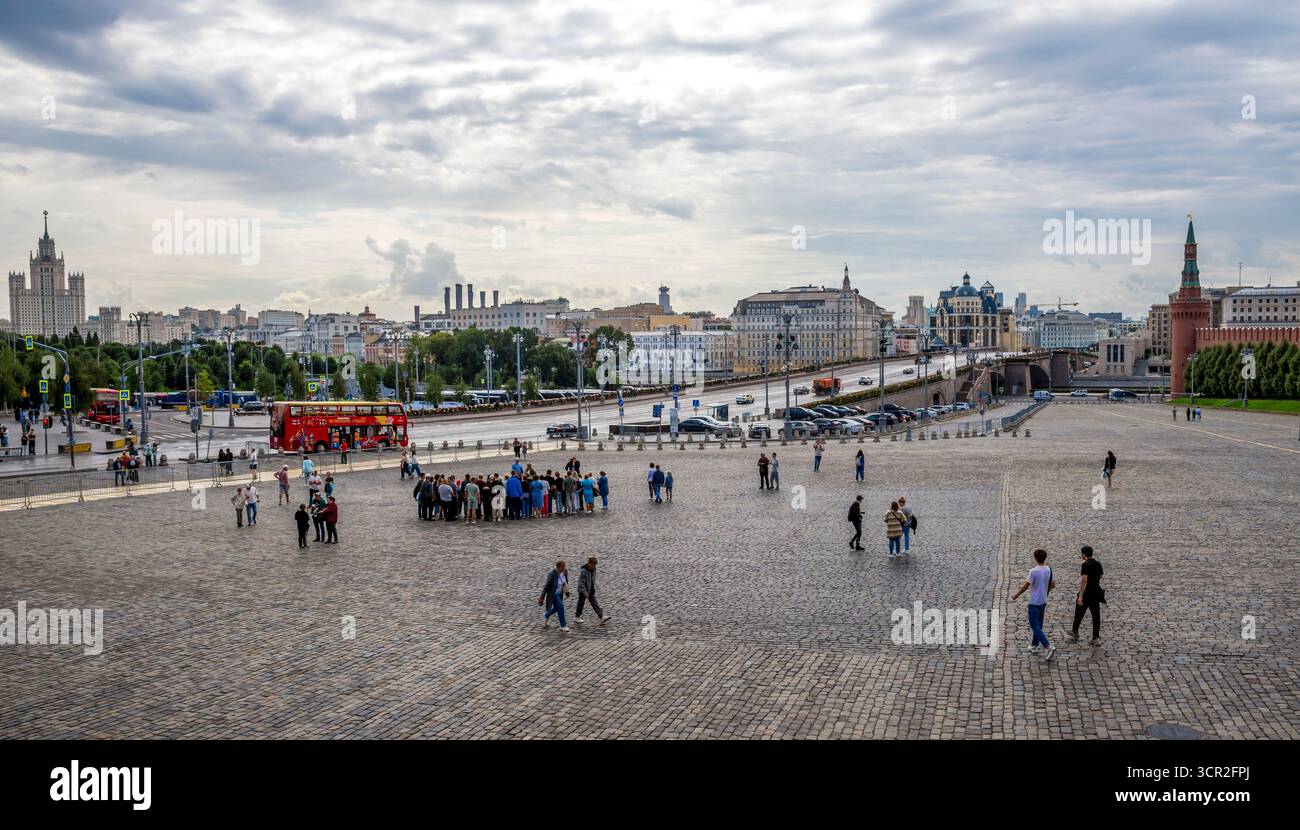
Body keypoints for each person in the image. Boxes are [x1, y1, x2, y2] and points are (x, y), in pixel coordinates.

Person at [1012, 548, 1056, 661]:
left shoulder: (1033, 571)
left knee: (1034, 625)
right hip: (1043, 601)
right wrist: (1044, 591)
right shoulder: (1049, 569)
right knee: (1039, 624)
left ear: (1035, 558)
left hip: (1034, 602)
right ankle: (1034, 645)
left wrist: (1016, 594)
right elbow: (1053, 585)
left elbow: (1026, 586)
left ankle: (1048, 646)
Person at [1068, 545, 1104, 645]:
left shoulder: (1085, 565)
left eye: (1082, 554)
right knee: (1096, 616)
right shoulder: (1098, 563)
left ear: (1084, 554)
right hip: (1096, 592)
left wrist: (1081, 595)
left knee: (1079, 613)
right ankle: (1095, 637)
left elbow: (1084, 580)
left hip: (1087, 593)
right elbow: (1100, 576)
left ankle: (1075, 631)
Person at [575, 557, 610, 625]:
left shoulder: (594, 570)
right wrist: (584, 591)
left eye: (595, 565)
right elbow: (581, 583)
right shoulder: (584, 571)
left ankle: (601, 616)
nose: (594, 566)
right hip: (583, 591)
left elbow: (592, 579)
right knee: (580, 604)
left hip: (591, 590)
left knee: (595, 603)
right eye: (593, 565)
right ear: (589, 564)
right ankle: (577, 617)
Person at [538, 560, 571, 632]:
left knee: (556, 608)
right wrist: (541, 597)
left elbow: (566, 582)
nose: (564, 569)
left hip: (560, 593)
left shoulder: (565, 572)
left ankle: (546, 614)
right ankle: (563, 625)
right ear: (558, 567)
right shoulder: (552, 574)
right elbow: (546, 586)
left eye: (564, 567)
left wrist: (567, 591)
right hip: (553, 594)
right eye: (562, 567)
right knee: (561, 607)